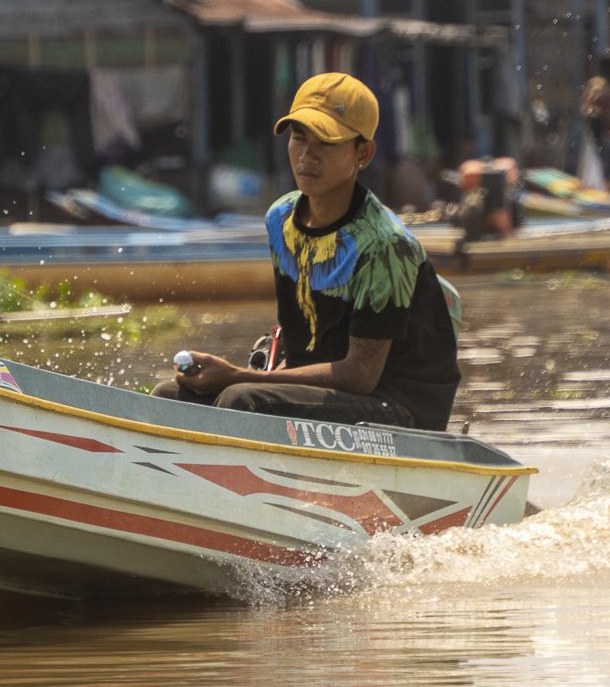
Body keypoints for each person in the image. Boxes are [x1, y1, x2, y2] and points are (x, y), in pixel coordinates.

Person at [157, 73, 462, 433]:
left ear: (362, 153)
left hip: (398, 408)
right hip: (334, 390)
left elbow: (361, 376)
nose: (307, 155)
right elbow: (300, 344)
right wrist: (234, 378)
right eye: (299, 138)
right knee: (171, 395)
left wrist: (235, 376)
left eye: (326, 143)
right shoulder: (280, 219)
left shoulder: (384, 244)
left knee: (241, 400)